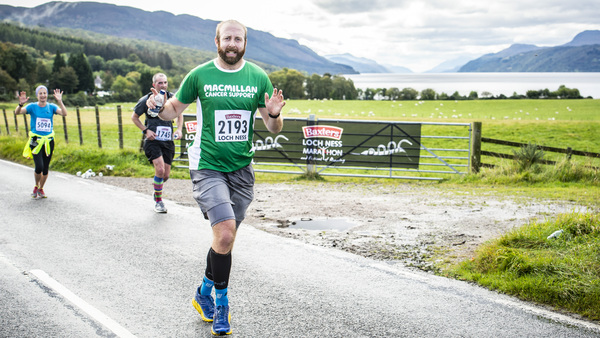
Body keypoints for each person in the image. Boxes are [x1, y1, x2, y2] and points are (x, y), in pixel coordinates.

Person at [147, 20, 285, 335]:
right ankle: (221, 303)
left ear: (245, 43)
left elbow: (272, 127)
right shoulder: (199, 75)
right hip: (207, 165)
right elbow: (172, 109)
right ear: (217, 41)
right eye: (228, 38)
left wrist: (274, 114)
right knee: (224, 234)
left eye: (238, 38)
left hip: (241, 170)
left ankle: (202, 292)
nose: (233, 43)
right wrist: (157, 109)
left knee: (226, 239)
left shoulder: (258, 77)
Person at [132, 73, 184, 213]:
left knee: (165, 175)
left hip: (168, 141)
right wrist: (146, 131)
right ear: (154, 84)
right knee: (159, 170)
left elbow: (180, 114)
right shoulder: (146, 100)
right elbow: (134, 117)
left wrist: (179, 130)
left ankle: (157, 190)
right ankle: (159, 202)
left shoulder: (172, 98)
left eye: (165, 82)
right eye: (160, 83)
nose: (163, 85)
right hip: (153, 140)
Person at [15, 86, 67, 199]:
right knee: (39, 166)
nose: (43, 95)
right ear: (37, 95)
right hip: (35, 140)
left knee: (45, 168)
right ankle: (36, 185)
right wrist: (20, 104)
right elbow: (17, 113)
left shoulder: (52, 107)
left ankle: (41, 188)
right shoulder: (32, 107)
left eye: (44, 93)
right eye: (40, 93)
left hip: (48, 141)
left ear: (47, 95)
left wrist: (60, 101)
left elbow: (64, 113)